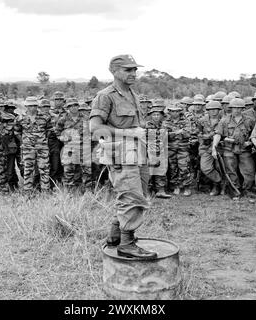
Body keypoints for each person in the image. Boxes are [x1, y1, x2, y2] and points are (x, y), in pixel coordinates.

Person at [90, 54, 157, 260]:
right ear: (115, 71)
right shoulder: (106, 95)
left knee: (138, 193)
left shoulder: (132, 94)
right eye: (128, 70)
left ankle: (115, 234)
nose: (134, 73)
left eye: (135, 70)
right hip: (121, 154)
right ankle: (127, 243)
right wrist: (129, 133)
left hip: (138, 152)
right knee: (131, 195)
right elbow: (95, 129)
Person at [212, 98, 256, 199]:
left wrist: (249, 142)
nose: (237, 110)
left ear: (243, 109)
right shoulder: (224, 120)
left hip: (244, 150)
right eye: (234, 108)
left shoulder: (249, 120)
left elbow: (254, 135)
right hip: (229, 149)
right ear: (231, 108)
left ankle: (247, 190)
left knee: (249, 171)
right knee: (231, 171)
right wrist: (214, 149)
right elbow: (218, 134)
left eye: (239, 108)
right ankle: (235, 191)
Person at [14, 97, 52, 195]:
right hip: (27, 148)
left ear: (37, 106)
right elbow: (17, 132)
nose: (32, 108)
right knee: (28, 169)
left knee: (44, 168)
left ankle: (45, 191)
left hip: (42, 147)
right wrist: (24, 142)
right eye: (30, 106)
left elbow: (48, 131)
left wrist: (42, 140)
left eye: (34, 105)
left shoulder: (45, 117)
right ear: (26, 106)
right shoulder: (20, 118)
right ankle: (28, 191)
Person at [56, 98, 93, 191]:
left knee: (87, 172)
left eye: (75, 105)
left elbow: (93, 130)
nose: (73, 108)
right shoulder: (63, 119)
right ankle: (70, 193)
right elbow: (57, 132)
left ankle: (88, 192)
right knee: (69, 171)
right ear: (67, 107)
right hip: (69, 149)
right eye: (70, 106)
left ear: (78, 106)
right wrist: (63, 138)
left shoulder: (86, 118)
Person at [164, 103, 194, 196]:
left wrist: (173, 133)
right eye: (172, 111)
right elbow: (164, 134)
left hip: (183, 147)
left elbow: (188, 133)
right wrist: (178, 132)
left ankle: (186, 186)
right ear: (169, 112)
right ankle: (176, 186)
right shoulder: (165, 121)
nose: (174, 113)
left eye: (176, 111)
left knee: (184, 166)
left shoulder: (185, 121)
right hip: (170, 148)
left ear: (179, 111)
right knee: (173, 167)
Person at [197, 101, 223, 196]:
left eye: (216, 109)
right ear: (207, 110)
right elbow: (198, 134)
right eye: (211, 109)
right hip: (205, 147)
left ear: (219, 110)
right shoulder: (202, 120)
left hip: (220, 147)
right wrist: (206, 138)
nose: (213, 111)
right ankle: (218, 181)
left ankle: (218, 187)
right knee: (205, 168)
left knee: (220, 167)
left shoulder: (223, 120)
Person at [146, 101, 171, 199]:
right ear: (151, 116)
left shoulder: (164, 125)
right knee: (149, 171)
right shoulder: (147, 125)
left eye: (158, 115)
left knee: (161, 170)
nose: (156, 116)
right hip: (149, 151)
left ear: (161, 116)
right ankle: (147, 191)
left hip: (161, 151)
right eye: (154, 115)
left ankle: (161, 190)